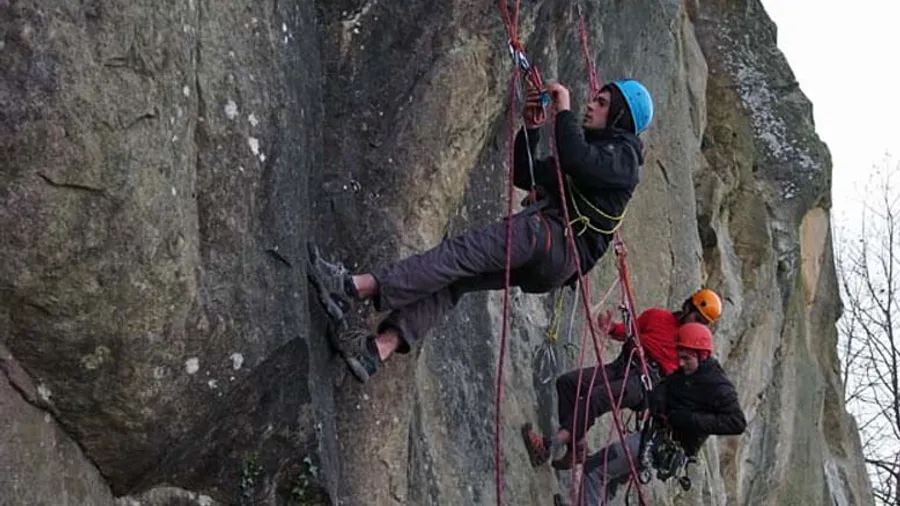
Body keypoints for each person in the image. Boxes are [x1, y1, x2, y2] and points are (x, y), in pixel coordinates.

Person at [307, 79, 654, 383]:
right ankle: (377, 351)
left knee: (458, 254)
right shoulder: (601, 159)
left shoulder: (624, 159)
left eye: (602, 103)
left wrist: (563, 107)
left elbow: (576, 157)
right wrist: (531, 130)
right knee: (456, 280)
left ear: (620, 117)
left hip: (547, 239)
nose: (591, 105)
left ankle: (351, 288)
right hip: (551, 259)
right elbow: (525, 174)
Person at [521, 289, 723, 469]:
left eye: (703, 323)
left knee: (597, 397)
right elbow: (629, 331)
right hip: (621, 366)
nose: (697, 325)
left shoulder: (693, 348)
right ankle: (577, 448)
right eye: (697, 318)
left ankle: (549, 445)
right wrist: (610, 328)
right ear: (688, 307)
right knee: (568, 383)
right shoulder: (656, 316)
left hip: (643, 383)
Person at [577, 323, 746, 505]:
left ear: (702, 355)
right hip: (655, 440)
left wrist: (688, 419)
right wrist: (657, 399)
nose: (681, 363)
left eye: (686, 358)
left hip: (663, 444)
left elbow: (737, 422)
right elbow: (665, 386)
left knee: (594, 468)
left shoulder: (718, 386)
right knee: (611, 478)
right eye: (679, 357)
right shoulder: (686, 373)